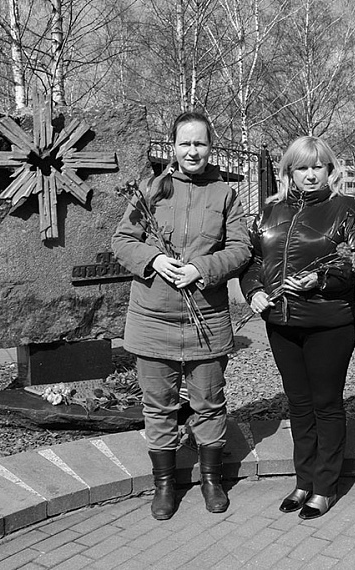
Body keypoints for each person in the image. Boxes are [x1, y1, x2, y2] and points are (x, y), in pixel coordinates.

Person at [112, 110, 251, 520]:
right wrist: (154, 259)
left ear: (211, 147)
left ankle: (211, 480)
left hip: (206, 320)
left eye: (200, 143)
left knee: (209, 403)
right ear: (172, 146)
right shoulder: (150, 189)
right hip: (152, 320)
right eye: (185, 143)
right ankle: (164, 485)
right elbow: (123, 241)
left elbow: (241, 249)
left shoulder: (225, 195)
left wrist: (202, 269)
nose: (192, 151)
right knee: (159, 407)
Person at [239, 136, 355, 520]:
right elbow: (252, 260)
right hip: (281, 323)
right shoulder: (270, 212)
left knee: (326, 404)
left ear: (330, 169)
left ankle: (324, 486)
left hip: (327, 322)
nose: (311, 174)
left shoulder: (345, 209)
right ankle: (303, 481)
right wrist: (254, 291)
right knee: (299, 405)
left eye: (318, 166)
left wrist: (321, 279)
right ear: (289, 171)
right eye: (302, 167)